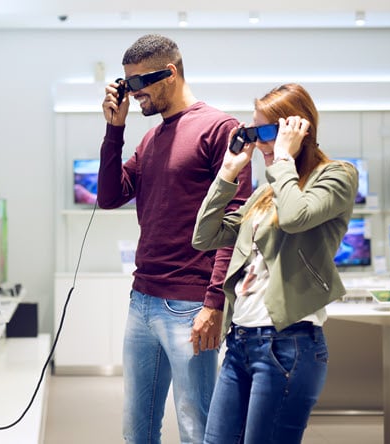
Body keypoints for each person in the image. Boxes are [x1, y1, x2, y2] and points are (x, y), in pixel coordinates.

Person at [98, 34, 252, 443]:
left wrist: (215, 301)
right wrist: (115, 131)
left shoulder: (220, 128)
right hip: (142, 299)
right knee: (137, 431)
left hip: (189, 304)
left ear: (169, 74)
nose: (133, 93)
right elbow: (110, 196)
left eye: (138, 83)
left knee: (199, 429)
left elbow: (235, 223)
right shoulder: (151, 138)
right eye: (126, 83)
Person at [191, 83, 359, 444]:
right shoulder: (267, 191)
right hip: (239, 342)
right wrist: (227, 173)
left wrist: (282, 157)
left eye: (268, 132)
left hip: (288, 344)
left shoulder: (336, 176)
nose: (261, 144)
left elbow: (296, 216)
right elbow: (205, 236)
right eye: (253, 133)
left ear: (298, 130)